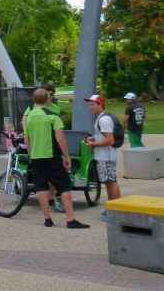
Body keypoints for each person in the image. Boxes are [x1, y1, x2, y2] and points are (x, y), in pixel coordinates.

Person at [24, 88, 90, 229]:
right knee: (64, 185)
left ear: (34, 100)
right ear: (47, 98)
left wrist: (31, 154)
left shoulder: (28, 117)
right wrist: (66, 156)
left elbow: (26, 139)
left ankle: (47, 219)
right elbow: (60, 137)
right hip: (51, 155)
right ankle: (70, 219)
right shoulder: (52, 116)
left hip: (36, 157)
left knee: (41, 187)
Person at [22, 84, 63, 212]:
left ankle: (54, 198)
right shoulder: (32, 107)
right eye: (47, 93)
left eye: (51, 94)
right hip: (36, 142)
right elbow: (24, 120)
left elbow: (56, 128)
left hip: (51, 143)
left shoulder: (55, 109)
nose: (49, 97)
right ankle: (50, 201)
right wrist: (27, 133)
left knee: (53, 174)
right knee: (42, 175)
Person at [84, 95, 121, 221]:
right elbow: (103, 134)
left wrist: (93, 144)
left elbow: (110, 140)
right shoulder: (101, 118)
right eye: (89, 104)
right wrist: (94, 137)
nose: (90, 107)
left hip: (106, 156)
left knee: (111, 182)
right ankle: (111, 209)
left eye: (92, 104)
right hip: (104, 156)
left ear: (100, 104)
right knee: (108, 182)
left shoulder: (103, 120)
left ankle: (115, 210)